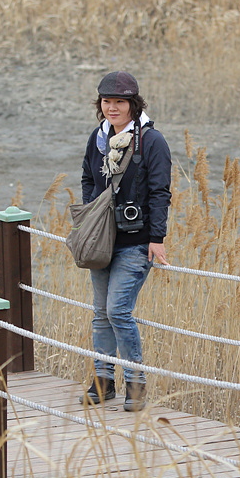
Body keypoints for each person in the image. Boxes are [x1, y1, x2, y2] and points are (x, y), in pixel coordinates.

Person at [80, 71, 172, 412]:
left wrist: (157, 238)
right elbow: (88, 177)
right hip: (101, 240)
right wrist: (94, 211)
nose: (112, 108)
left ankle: (136, 383)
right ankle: (103, 383)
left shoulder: (151, 141)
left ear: (134, 104)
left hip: (136, 241)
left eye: (120, 101)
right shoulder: (98, 138)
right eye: (107, 101)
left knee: (117, 310)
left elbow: (160, 192)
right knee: (100, 314)